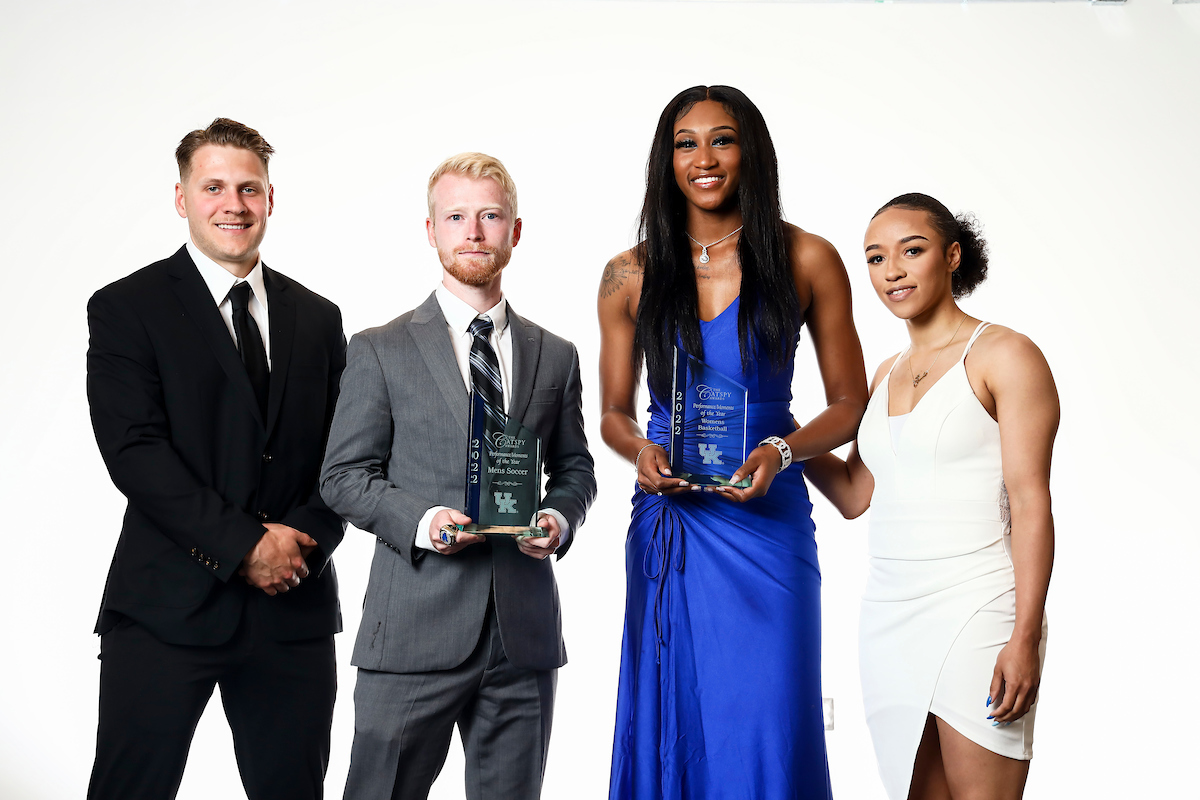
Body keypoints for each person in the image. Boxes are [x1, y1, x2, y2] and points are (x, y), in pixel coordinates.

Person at [598, 85, 869, 799]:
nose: (705, 159)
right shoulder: (628, 272)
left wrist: (781, 451)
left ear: (751, 152)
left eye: (723, 139)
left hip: (769, 518)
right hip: (673, 519)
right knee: (674, 714)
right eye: (685, 144)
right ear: (666, 160)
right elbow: (614, 414)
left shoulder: (807, 257)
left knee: (772, 715)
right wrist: (641, 452)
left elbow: (850, 404)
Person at [320, 152, 596, 800]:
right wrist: (423, 522)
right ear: (431, 230)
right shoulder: (379, 348)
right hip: (411, 629)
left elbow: (575, 467)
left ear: (515, 231)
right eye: (455, 217)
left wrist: (558, 519)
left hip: (522, 634)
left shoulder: (556, 354)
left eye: (490, 216)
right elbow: (343, 476)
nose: (473, 231)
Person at [85, 118, 347, 800]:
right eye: (214, 187)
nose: (234, 203)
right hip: (167, 605)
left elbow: (344, 456)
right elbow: (135, 452)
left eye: (249, 188)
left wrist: (300, 543)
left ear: (270, 198)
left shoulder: (319, 318)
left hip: (293, 607)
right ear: (182, 199)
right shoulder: (126, 307)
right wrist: (244, 546)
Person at [803, 194, 1058, 800]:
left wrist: (1024, 637)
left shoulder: (1005, 355)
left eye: (911, 250)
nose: (892, 271)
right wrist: (782, 435)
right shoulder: (885, 372)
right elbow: (855, 494)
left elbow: (1031, 505)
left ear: (952, 255)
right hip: (888, 614)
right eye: (875, 258)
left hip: (979, 606)